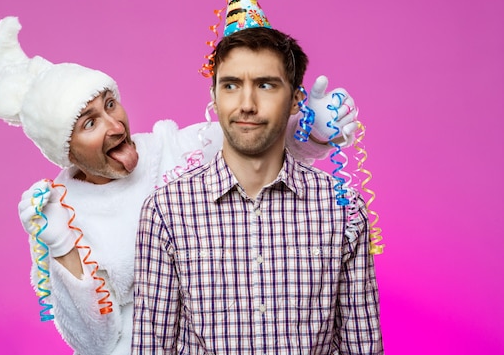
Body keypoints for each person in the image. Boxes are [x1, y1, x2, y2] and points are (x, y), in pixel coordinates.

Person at [0, 14, 357, 354]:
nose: (114, 124)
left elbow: (249, 143)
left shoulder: (167, 146)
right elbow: (94, 341)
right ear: (64, 148)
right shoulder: (62, 212)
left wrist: (310, 129)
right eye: (90, 122)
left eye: (111, 104)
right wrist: (63, 247)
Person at [132, 25, 383, 354]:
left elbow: (362, 347)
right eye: (231, 85)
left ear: (296, 100)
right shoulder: (166, 211)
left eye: (265, 85)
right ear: (214, 96)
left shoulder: (342, 208)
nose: (247, 104)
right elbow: (151, 346)